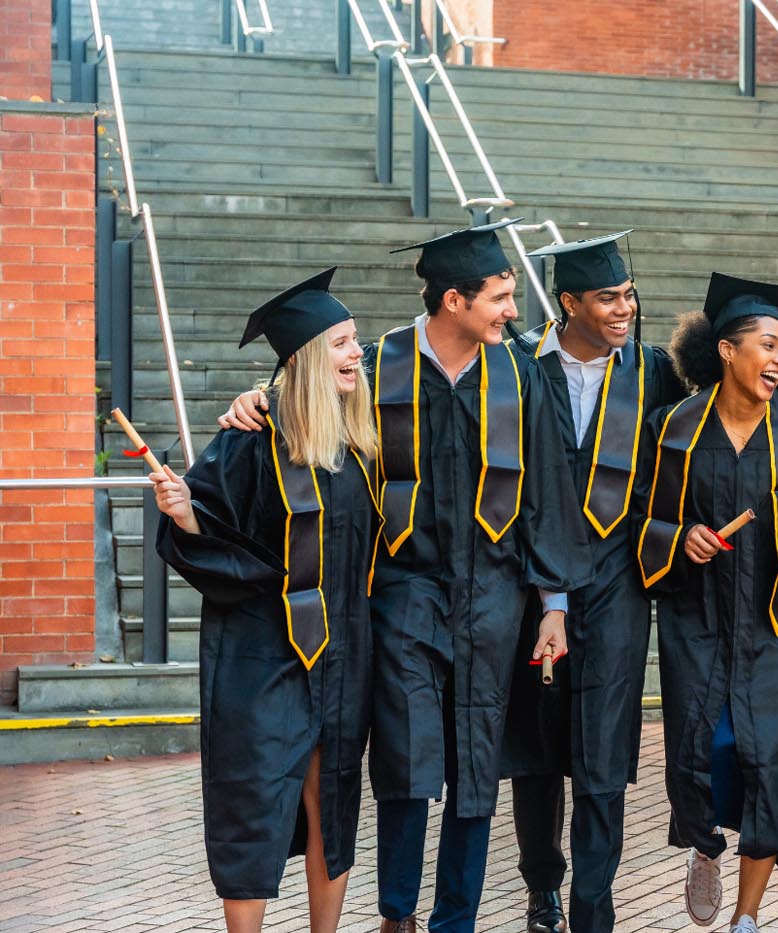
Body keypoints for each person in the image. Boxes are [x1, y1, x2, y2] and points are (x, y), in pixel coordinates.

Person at [218, 222, 593, 933]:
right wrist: (255, 400)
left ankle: (455, 920)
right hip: (400, 589)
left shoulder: (520, 373)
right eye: (501, 297)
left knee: (477, 765)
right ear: (454, 299)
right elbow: (304, 397)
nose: (514, 311)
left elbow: (545, 489)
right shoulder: (379, 361)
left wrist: (554, 605)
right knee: (405, 760)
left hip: (493, 593)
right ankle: (398, 914)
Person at [152, 268, 378, 933]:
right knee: (252, 803)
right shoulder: (250, 440)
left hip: (340, 654)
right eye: (341, 342)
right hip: (261, 653)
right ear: (308, 357)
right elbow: (207, 534)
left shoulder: (358, 442)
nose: (356, 353)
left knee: (330, 805)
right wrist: (184, 513)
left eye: (356, 339)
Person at [501, 232, 686, 933]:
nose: (624, 308)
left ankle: (592, 908)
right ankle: (542, 888)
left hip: (616, 582)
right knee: (539, 748)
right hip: (532, 584)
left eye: (629, 295)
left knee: (604, 751)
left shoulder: (652, 371)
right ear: (568, 301)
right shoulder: (517, 366)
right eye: (608, 297)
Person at [636, 273, 778, 933]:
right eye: (768, 345)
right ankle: (705, 846)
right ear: (728, 351)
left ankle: (746, 915)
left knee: (772, 761)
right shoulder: (673, 427)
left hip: (777, 620)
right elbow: (642, 518)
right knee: (701, 752)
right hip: (699, 618)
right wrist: (679, 536)